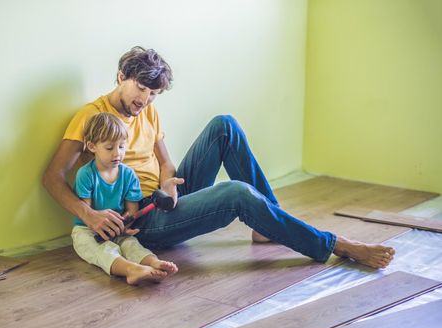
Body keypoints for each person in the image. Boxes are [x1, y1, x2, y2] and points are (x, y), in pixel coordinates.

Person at [43, 46, 395, 269]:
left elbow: (166, 161)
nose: (145, 100)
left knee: (224, 126)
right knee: (237, 193)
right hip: (142, 220)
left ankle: (265, 226)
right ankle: (333, 244)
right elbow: (53, 177)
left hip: (165, 199)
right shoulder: (93, 117)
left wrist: (168, 178)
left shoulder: (147, 111)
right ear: (122, 77)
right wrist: (88, 215)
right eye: (140, 89)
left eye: (153, 93)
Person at [70, 112, 178, 285]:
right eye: (109, 148)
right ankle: (131, 270)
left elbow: (132, 210)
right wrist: (105, 228)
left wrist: (125, 225)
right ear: (92, 147)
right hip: (88, 230)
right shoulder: (86, 174)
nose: (117, 154)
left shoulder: (128, 174)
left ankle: (153, 263)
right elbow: (88, 214)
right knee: (102, 250)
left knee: (131, 244)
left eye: (121, 146)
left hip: (117, 228)